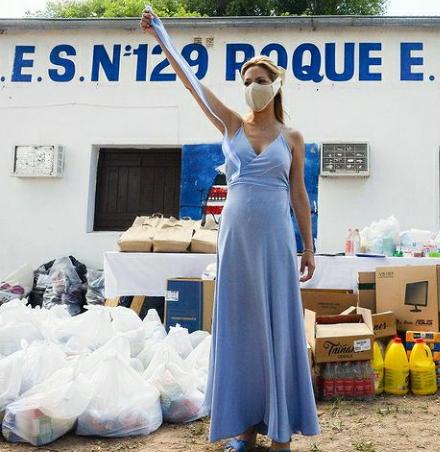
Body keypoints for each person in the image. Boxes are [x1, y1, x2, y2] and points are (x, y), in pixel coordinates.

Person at [141, 9, 321, 452]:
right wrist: (162, 34)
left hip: (277, 241)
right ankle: (243, 429)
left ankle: (280, 429)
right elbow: (192, 84)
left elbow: (299, 195)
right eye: (245, 80)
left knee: (278, 325)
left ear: (275, 85)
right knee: (241, 328)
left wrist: (309, 247)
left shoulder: (292, 137)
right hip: (237, 241)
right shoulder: (232, 125)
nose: (251, 87)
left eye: (259, 79)